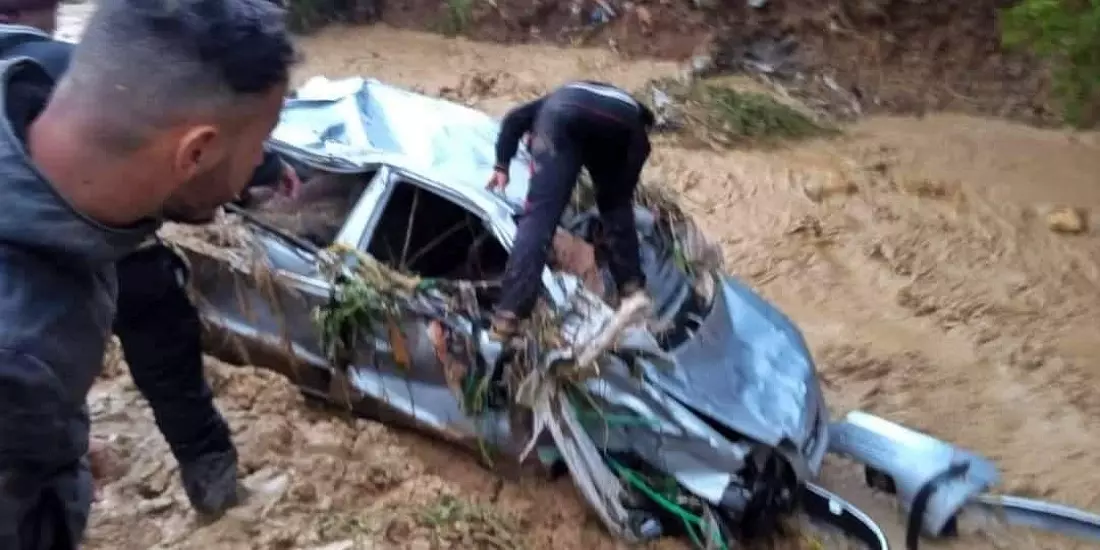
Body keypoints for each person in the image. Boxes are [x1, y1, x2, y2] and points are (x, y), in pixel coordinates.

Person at [0, 0, 295, 547]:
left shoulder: (28, 67)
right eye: (260, 145)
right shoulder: (24, 355)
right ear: (197, 151)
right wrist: (56, 466)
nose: (261, 163)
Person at [485, 81, 655, 339]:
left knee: (540, 218)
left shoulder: (548, 105)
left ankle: (508, 315)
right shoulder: (599, 96)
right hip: (627, 125)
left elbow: (512, 120)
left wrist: (501, 165)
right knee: (616, 207)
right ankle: (632, 292)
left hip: (565, 117)